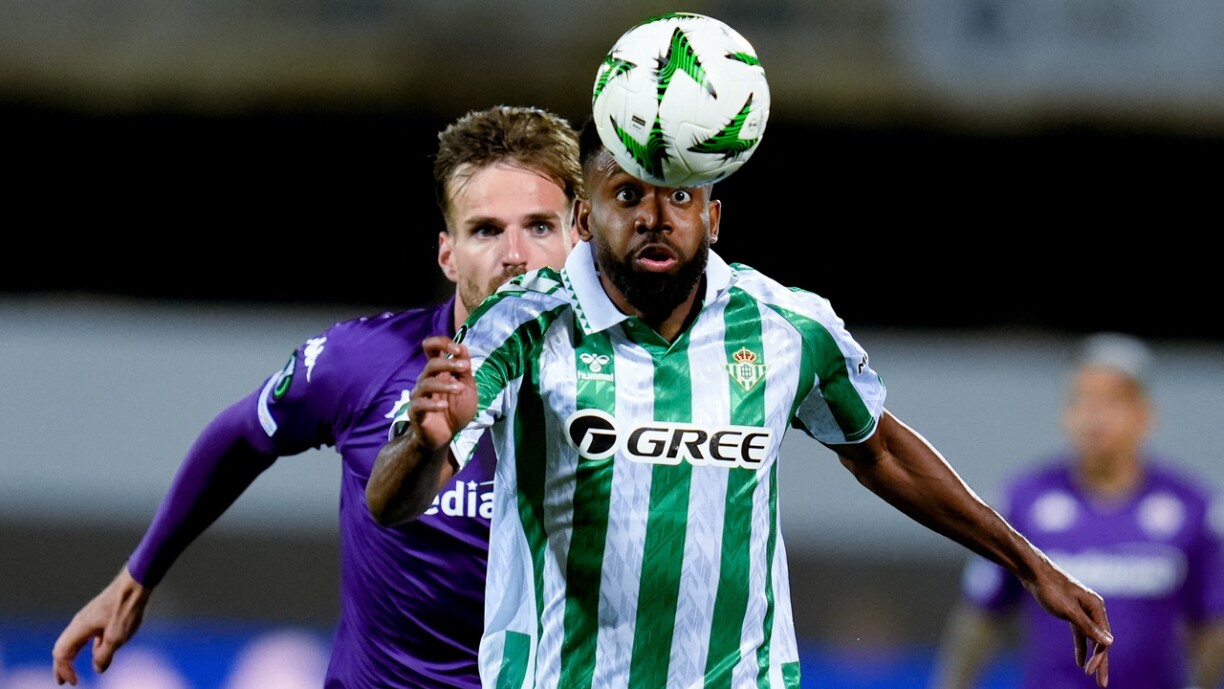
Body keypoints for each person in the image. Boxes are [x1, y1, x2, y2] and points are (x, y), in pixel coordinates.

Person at [364, 116, 1115, 689]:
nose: (656, 216)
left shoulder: (788, 326)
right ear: (586, 219)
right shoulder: (523, 321)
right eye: (628, 194)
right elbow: (391, 502)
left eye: (680, 196)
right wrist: (426, 443)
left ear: (712, 218)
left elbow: (881, 450)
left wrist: (1029, 565)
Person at [51, 104, 584, 689]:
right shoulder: (362, 364)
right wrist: (138, 574)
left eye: (540, 227)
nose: (515, 256)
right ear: (447, 254)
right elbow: (242, 436)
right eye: (486, 230)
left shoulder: (636, 389)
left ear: (578, 235)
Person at [930, 332, 1224, 689]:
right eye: (1081, 399)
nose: (1094, 416)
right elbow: (981, 615)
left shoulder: (1192, 508)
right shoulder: (1022, 501)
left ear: (1144, 415)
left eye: (1111, 401)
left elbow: (1213, 624)